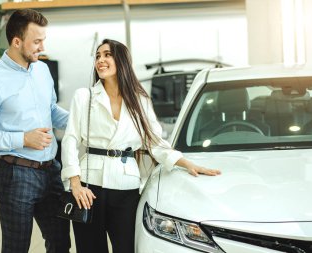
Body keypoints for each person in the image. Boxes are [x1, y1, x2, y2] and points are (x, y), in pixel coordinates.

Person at [61, 38, 221, 253]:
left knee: (127, 248)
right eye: (98, 56)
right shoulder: (84, 96)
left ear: (122, 60)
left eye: (107, 55)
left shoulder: (140, 100)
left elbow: (155, 142)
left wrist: (185, 163)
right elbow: (70, 139)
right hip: (89, 185)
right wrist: (75, 183)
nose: (101, 60)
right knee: (90, 249)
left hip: (126, 185)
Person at [0, 9, 70, 253]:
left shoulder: (42, 70)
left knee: (61, 243)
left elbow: (51, 110)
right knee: (16, 247)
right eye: (37, 41)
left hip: (51, 170)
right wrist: (23, 139)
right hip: (16, 174)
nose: (42, 46)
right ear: (16, 41)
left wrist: (82, 121)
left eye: (43, 40)